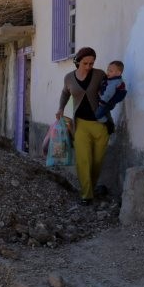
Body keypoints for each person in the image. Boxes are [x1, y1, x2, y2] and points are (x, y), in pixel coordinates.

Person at [57, 46, 109, 205]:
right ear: (78, 61)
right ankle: (86, 195)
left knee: (97, 161)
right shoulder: (69, 78)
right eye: (85, 63)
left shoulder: (100, 75)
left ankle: (91, 187)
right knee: (83, 160)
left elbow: (109, 91)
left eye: (91, 63)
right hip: (80, 124)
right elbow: (65, 93)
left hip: (100, 124)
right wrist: (61, 108)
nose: (88, 66)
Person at [96, 60, 127, 135]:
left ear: (118, 73)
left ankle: (109, 125)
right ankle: (109, 124)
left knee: (97, 116)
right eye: (108, 70)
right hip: (107, 102)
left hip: (106, 102)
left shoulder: (114, 82)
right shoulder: (112, 80)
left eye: (111, 71)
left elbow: (108, 94)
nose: (108, 72)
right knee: (104, 113)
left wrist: (102, 101)